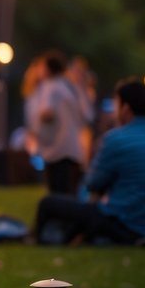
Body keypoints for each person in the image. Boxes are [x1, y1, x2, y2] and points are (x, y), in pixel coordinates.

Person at [34, 78, 145, 244]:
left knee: (47, 203)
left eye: (116, 105)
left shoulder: (116, 138)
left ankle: (37, 241)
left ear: (126, 109)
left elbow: (93, 183)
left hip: (127, 224)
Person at [24, 51, 94, 195]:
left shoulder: (50, 86)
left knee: (57, 193)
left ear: (48, 69)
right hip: (74, 149)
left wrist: (35, 126)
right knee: (70, 192)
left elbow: (47, 113)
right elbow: (87, 115)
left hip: (57, 150)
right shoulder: (69, 86)